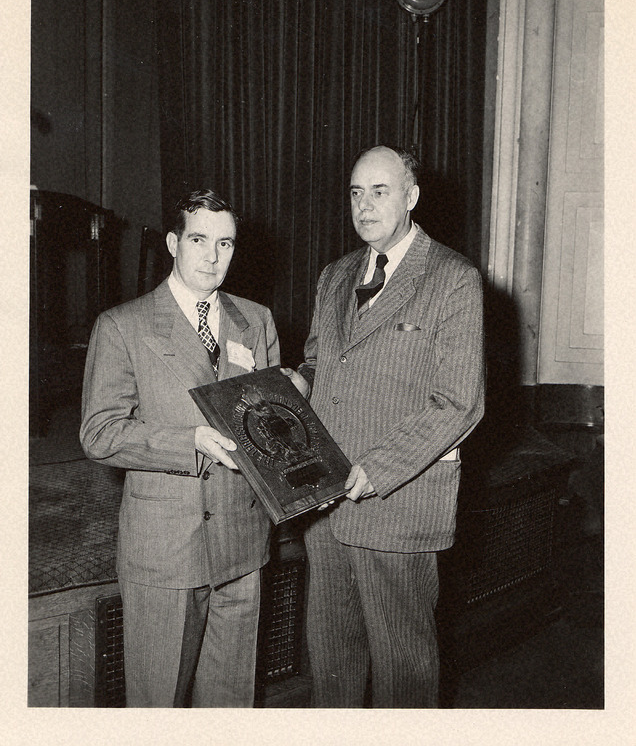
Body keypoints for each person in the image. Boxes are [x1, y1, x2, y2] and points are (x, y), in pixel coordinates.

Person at [284, 145, 485, 708]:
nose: (364, 206)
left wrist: (378, 469)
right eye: (355, 192)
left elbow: (460, 403)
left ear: (412, 198)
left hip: (396, 504)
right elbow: (320, 362)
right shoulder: (336, 274)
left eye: (380, 191)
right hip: (325, 503)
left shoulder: (453, 279)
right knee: (332, 663)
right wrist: (294, 385)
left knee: (404, 672)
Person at [80, 189, 280, 707]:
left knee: (231, 706)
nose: (213, 256)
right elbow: (100, 433)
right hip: (165, 549)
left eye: (226, 243)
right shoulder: (123, 325)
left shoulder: (256, 321)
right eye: (199, 240)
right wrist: (186, 443)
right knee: (158, 705)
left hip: (242, 543)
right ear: (172, 243)